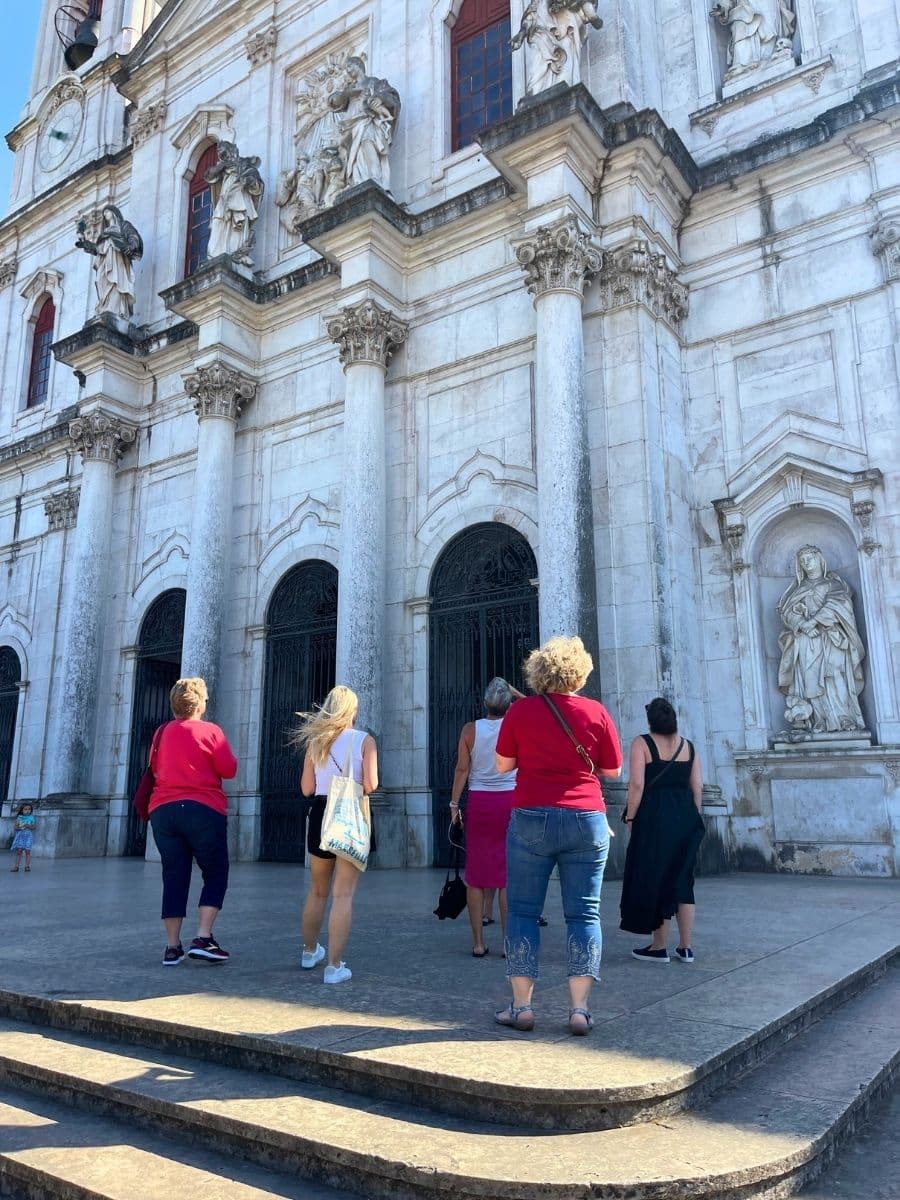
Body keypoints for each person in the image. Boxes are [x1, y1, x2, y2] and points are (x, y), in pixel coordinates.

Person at [495, 636, 622, 1035]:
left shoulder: (521, 712)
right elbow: (613, 771)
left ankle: (522, 1006)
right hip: (586, 816)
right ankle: (580, 1010)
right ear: (580, 672)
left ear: (539, 671)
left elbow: (502, 765)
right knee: (584, 913)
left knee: (522, 911)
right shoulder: (596, 712)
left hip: (532, 814)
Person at [147, 677, 238, 966]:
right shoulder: (211, 731)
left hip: (163, 810)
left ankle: (172, 947)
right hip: (202, 808)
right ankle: (203, 937)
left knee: (173, 875)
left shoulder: (161, 733)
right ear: (200, 704)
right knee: (215, 871)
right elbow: (229, 768)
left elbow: (153, 766)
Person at [296, 685, 378, 985]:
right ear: (352, 711)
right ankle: (334, 965)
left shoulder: (315, 743)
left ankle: (308, 952)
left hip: (320, 815)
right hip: (350, 816)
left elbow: (306, 789)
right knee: (343, 894)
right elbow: (371, 784)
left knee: (317, 891)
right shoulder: (365, 741)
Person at [619, 698, 705, 964]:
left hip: (655, 817)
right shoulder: (688, 747)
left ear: (650, 721)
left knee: (658, 877)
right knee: (683, 880)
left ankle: (659, 947)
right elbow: (698, 787)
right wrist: (693, 816)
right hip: (686, 817)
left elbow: (636, 785)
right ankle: (686, 947)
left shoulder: (641, 743)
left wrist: (631, 816)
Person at [450, 678, 520, 957]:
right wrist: (513, 691)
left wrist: (455, 803)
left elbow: (461, 770)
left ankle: (478, 942)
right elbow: (537, 705)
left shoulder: (470, 730)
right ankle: (508, 942)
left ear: (484, 703)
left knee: (476, 875)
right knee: (506, 876)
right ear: (508, 704)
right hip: (510, 800)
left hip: (479, 801)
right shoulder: (516, 725)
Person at [10, 803, 36, 872]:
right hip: (20, 836)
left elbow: (34, 827)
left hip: (28, 836)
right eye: (25, 809)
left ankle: (27, 866)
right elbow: (15, 828)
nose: (27, 811)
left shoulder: (32, 818)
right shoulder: (19, 818)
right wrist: (20, 827)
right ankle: (16, 866)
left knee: (28, 851)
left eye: (29, 809)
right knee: (19, 851)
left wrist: (28, 826)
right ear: (22, 810)